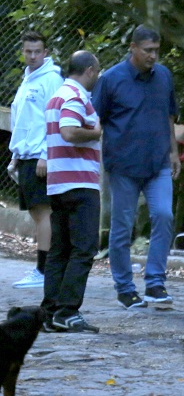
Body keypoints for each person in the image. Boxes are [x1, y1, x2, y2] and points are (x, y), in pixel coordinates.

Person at [92, 25, 181, 309]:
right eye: (148, 50)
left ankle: (155, 282)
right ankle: (125, 287)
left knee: (164, 215)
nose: (153, 56)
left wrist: (174, 152)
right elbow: (97, 121)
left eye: (157, 50)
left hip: (158, 162)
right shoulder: (112, 79)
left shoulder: (164, 76)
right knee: (122, 227)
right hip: (123, 164)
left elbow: (170, 116)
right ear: (133, 48)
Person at [41, 51, 102, 332]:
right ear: (89, 70)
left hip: (58, 182)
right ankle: (67, 311)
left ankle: (50, 310)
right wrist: (96, 132)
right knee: (83, 248)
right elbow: (69, 131)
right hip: (80, 182)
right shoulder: (76, 97)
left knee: (59, 250)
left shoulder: (56, 96)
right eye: (97, 72)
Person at [8, 30, 63, 289]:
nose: (32, 56)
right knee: (36, 212)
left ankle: (44, 272)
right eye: (28, 51)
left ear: (46, 52)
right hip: (26, 155)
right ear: (22, 51)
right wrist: (16, 155)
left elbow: (54, 120)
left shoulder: (51, 79)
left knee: (44, 214)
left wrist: (45, 155)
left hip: (41, 157)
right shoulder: (28, 79)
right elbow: (23, 121)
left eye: (37, 51)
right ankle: (45, 270)